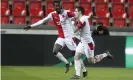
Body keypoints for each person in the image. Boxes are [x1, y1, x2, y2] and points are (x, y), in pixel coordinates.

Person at [23, 0, 87, 76]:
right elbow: (42, 21)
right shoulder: (52, 15)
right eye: (56, 6)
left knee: (76, 55)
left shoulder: (66, 12)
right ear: (54, 7)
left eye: (58, 5)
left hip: (69, 37)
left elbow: (76, 15)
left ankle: (84, 70)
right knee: (55, 51)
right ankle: (67, 63)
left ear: (61, 6)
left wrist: (80, 19)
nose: (57, 7)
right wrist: (30, 26)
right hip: (61, 37)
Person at [70, 6, 113, 79]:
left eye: (76, 11)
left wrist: (71, 24)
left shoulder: (82, 20)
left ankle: (105, 54)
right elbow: (87, 17)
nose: (75, 12)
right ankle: (77, 75)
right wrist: (90, 17)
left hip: (88, 44)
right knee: (76, 57)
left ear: (80, 12)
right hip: (82, 42)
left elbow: (75, 30)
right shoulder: (83, 18)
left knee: (91, 61)